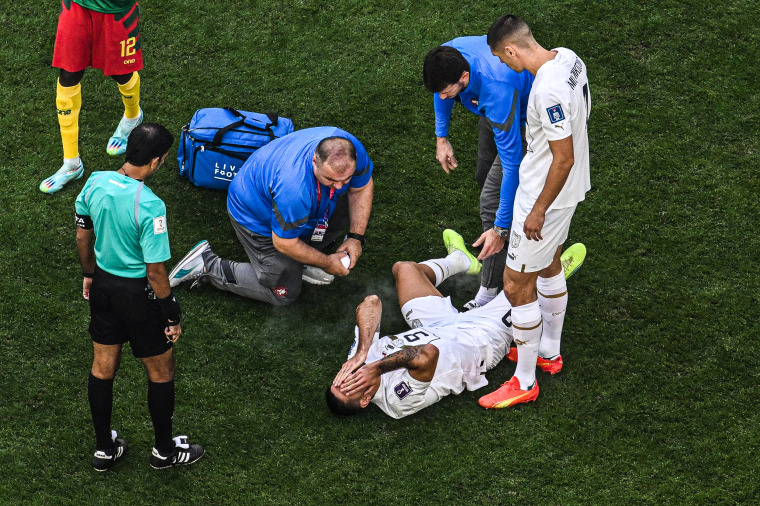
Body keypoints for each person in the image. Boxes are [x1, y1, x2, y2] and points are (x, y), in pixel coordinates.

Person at [477, 15, 591, 409]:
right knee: (549, 264)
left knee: (515, 284)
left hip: (545, 196)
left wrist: (538, 210)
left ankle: (524, 381)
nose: (505, 66)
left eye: (502, 58)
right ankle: (549, 351)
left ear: (511, 49)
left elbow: (563, 157)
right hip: (568, 193)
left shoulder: (547, 91)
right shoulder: (570, 59)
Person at [75, 123, 203, 471]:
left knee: (102, 368)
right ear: (157, 161)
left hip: (103, 286)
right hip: (138, 297)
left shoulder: (95, 182)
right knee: (161, 372)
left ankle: (104, 449)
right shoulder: (150, 206)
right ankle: (164, 452)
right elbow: (156, 271)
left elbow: (83, 236)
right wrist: (170, 312)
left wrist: (89, 274)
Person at [168, 127, 374, 307]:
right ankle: (207, 265)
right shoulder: (294, 190)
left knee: (339, 207)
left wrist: (355, 237)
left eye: (346, 179)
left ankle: (304, 259)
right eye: (331, 179)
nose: (340, 186)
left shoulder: (349, 146)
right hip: (255, 217)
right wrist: (327, 263)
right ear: (314, 160)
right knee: (283, 293)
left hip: (285, 197)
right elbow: (285, 243)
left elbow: (362, 187)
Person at [326, 229, 513, 418]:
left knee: (405, 269)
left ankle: (460, 259)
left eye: (340, 382)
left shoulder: (358, 360)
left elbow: (371, 303)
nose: (348, 379)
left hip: (438, 324)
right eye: (349, 388)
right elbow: (428, 353)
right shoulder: (397, 400)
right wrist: (376, 368)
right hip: (478, 342)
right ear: (365, 400)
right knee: (520, 283)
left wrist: (362, 350)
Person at [423, 36, 534, 310]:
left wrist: (499, 227)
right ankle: (509, 231)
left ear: (464, 76)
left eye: (449, 91)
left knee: (491, 202)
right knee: (484, 177)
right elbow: (442, 92)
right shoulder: (450, 54)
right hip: (491, 106)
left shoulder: (497, 91)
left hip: (523, 118)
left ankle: (488, 291)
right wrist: (441, 137)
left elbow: (512, 165)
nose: (444, 97)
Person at [42, 0, 144, 194]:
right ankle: (71, 163)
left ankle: (133, 116)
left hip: (115, 8)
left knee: (120, 72)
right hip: (78, 5)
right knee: (68, 74)